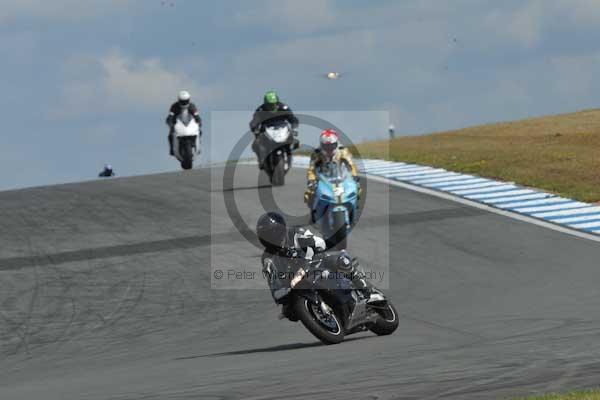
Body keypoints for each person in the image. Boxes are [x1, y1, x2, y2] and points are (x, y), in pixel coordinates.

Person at [256, 212, 375, 319]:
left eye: (271, 233)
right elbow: (272, 280)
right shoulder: (267, 257)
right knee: (289, 311)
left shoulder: (294, 232)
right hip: (295, 280)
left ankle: (366, 290)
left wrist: (308, 249)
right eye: (265, 235)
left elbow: (317, 242)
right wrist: (278, 291)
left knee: (341, 259)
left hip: (314, 262)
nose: (269, 237)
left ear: (279, 229)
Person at [304, 129, 360, 204]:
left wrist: (354, 175)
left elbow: (351, 164)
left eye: (331, 146)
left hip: (341, 178)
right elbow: (311, 169)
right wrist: (311, 180)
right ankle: (314, 212)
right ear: (321, 145)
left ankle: (355, 205)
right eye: (326, 147)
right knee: (309, 194)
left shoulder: (343, 151)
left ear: (336, 144)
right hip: (323, 180)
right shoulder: (316, 154)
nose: (329, 149)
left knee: (357, 188)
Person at [249, 90, 299, 169]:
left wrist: (294, 126)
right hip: (266, 131)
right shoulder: (261, 110)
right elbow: (255, 121)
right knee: (256, 144)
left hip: (282, 129)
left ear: (277, 102)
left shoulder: (283, 108)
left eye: (274, 104)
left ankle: (289, 155)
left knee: (295, 140)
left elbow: (292, 118)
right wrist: (254, 127)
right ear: (266, 104)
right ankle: (261, 160)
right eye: (270, 105)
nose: (272, 106)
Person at [165, 90, 202, 156]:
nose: (184, 103)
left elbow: (196, 115)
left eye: (186, 101)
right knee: (170, 135)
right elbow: (170, 116)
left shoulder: (192, 106)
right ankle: (171, 149)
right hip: (177, 124)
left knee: (200, 131)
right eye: (182, 101)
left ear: (189, 100)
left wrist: (199, 121)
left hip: (189, 124)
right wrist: (170, 124)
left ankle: (198, 145)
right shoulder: (174, 106)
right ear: (179, 100)